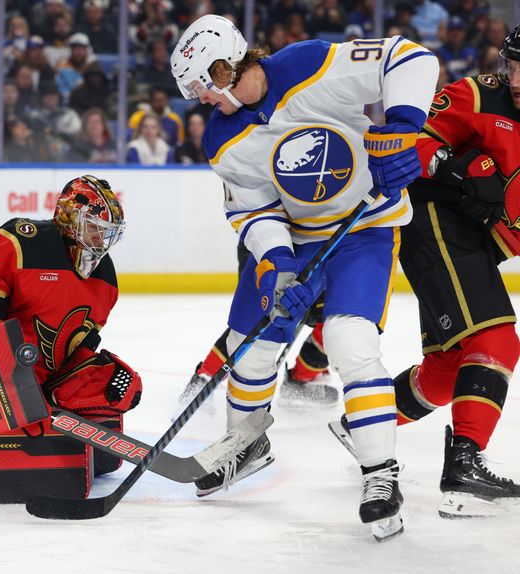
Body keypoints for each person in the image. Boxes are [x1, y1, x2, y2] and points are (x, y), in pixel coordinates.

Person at [169, 15, 436, 539]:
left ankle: (381, 475)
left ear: (224, 68)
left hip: (365, 228)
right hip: (294, 240)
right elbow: (252, 212)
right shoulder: (221, 136)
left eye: (202, 84)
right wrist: (280, 264)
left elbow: (408, 58)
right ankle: (245, 446)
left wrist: (403, 129)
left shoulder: (308, 63)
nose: (200, 99)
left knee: (349, 340)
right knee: (252, 343)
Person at [334, 24, 520, 518]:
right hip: (434, 219)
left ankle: (363, 425)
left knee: (448, 367)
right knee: (497, 342)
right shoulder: (478, 94)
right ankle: (463, 466)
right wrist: (453, 170)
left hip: (475, 243)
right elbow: (405, 145)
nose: (517, 78)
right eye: (514, 66)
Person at [0, 175, 141, 426]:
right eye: (95, 227)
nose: (101, 239)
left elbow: (78, 347)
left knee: (42, 447)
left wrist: (83, 379)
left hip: (20, 386)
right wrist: (3, 380)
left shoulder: (105, 278)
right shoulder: (23, 243)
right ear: (70, 217)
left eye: (108, 232)